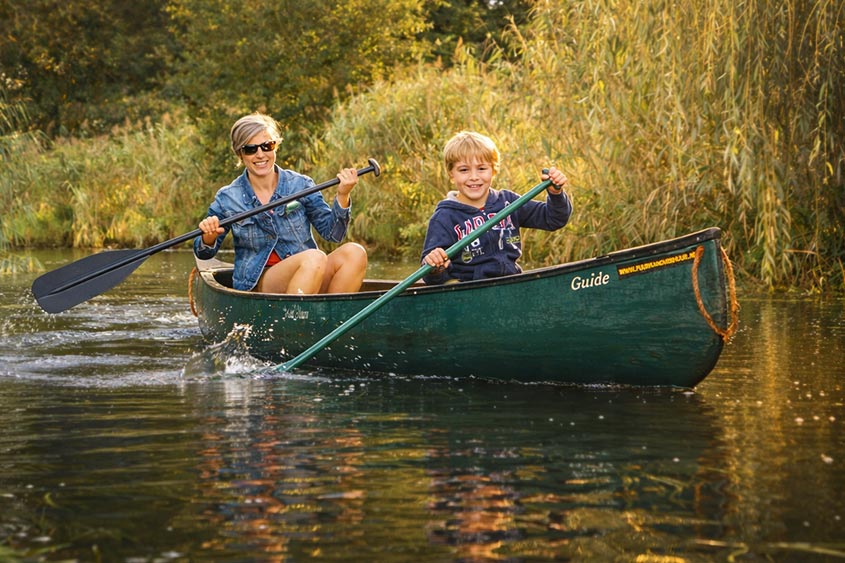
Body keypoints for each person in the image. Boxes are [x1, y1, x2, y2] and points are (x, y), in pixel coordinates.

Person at [194, 113, 367, 294]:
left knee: (354, 252)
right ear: (240, 153)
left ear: (275, 146)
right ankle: (294, 319)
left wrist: (343, 195)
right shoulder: (228, 197)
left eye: (267, 146)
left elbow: (334, 234)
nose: (260, 154)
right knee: (314, 258)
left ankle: (331, 319)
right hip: (261, 282)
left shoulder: (301, 184)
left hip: (310, 271)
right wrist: (209, 237)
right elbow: (204, 253)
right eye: (251, 149)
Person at [420, 130, 572, 285]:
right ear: (451, 173)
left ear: (493, 170)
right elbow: (430, 277)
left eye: (481, 168)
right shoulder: (444, 217)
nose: (474, 177)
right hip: (469, 292)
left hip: (511, 284)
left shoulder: (507, 202)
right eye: (464, 170)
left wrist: (556, 194)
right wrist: (434, 266)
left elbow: (554, 219)